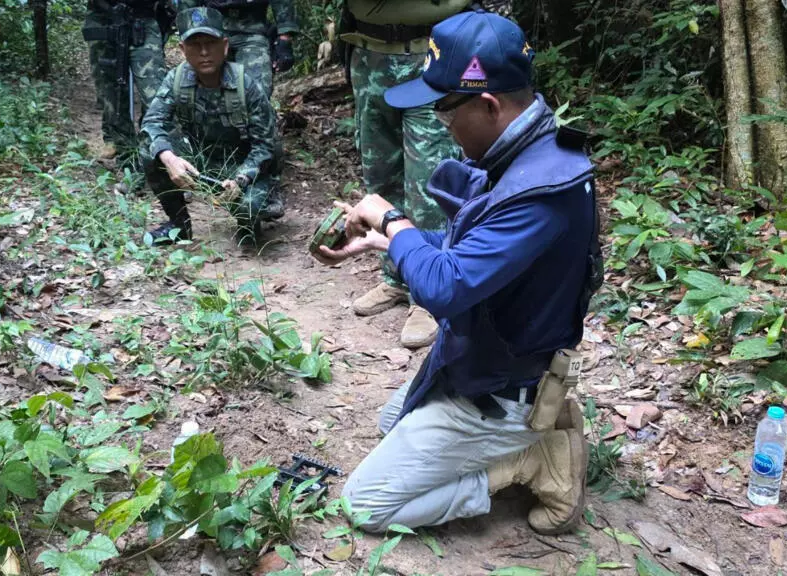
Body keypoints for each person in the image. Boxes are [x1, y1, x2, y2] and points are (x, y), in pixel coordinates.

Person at [315, 11, 603, 534]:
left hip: (501, 390)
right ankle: (534, 435)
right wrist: (385, 240)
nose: (445, 129)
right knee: (389, 423)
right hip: (482, 363)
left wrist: (393, 218)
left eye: (446, 114)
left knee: (363, 506)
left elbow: (445, 287)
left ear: (488, 104)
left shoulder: (541, 192)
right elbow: (460, 251)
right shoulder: (524, 156)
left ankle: (526, 460)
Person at [339, 0, 469, 350]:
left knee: (430, 183)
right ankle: (395, 275)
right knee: (379, 174)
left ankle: (430, 294)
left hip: (433, 54)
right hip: (368, 53)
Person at [140, 6, 280, 245]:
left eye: (211, 43)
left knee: (250, 209)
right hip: (200, 161)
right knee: (149, 151)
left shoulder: (246, 84)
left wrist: (240, 179)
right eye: (195, 45)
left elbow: (266, 146)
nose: (204, 52)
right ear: (183, 50)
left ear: (225, 46)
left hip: (240, 165)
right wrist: (170, 159)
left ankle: (249, 222)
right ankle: (179, 225)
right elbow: (152, 123)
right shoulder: (176, 79)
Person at [83, 0, 171, 162]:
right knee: (110, 91)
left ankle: (153, 146)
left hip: (143, 17)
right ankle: (124, 149)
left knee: (155, 93)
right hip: (103, 17)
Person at [173, 0, 299, 96]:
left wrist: (284, 37)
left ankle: (256, 127)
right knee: (205, 92)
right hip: (212, 33)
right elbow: (188, 5)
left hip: (253, 31)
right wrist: (189, 35)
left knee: (258, 91)